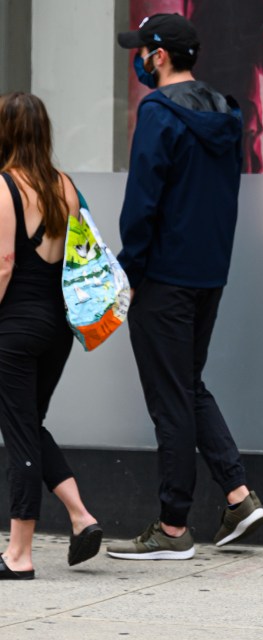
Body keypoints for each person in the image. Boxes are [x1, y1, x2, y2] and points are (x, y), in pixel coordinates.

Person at [109, 13, 263, 561]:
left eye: (142, 52)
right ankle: (239, 496)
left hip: (163, 277)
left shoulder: (157, 113)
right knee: (188, 385)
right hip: (207, 275)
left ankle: (173, 527)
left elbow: (143, 204)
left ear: (158, 55)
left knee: (169, 396)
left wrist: (127, 270)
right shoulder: (227, 111)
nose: (139, 61)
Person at [0, 93, 103, 579]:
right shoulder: (65, 186)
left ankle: (18, 555)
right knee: (30, 423)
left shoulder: (5, 186)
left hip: (14, 328)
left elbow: (3, 264)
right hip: (57, 327)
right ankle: (81, 516)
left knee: (19, 433)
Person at [186, 0, 263, 173]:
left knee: (243, 169)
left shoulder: (258, 7)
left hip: (242, 99)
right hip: (212, 98)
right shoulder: (203, 7)